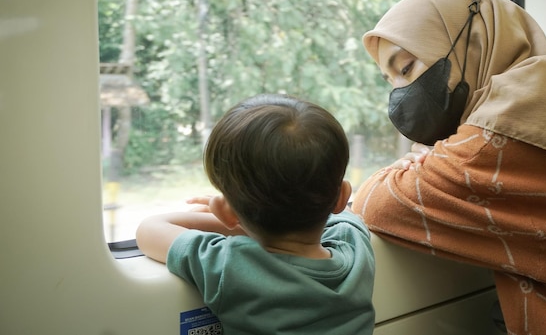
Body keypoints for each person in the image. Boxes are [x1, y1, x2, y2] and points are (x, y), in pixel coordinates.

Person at [351, 0, 546, 334]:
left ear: (473, 42)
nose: (399, 94)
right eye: (389, 81)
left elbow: (379, 206)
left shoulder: (499, 134)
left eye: (406, 69)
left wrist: (412, 167)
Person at [136, 93, 375, 335]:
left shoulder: (232, 265)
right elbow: (339, 211)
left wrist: (235, 217)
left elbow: (149, 229)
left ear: (225, 212)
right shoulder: (355, 246)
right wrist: (239, 213)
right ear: (343, 194)